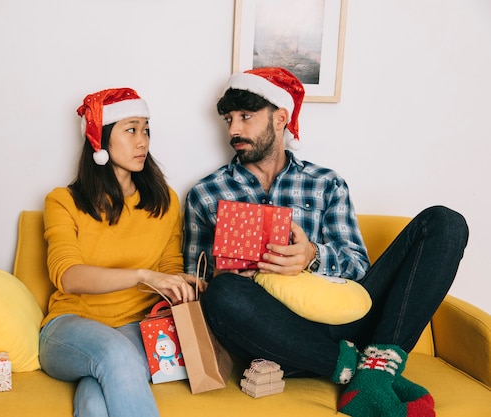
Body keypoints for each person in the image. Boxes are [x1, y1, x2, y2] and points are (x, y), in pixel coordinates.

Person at [182, 67, 469, 417]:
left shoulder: (326, 183)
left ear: (279, 119)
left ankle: (374, 370)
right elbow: (192, 286)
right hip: (275, 335)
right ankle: (359, 371)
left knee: (445, 222)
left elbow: (358, 267)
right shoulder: (205, 193)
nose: (234, 130)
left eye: (246, 117)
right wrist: (225, 276)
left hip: (344, 317)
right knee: (222, 293)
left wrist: (311, 256)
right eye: (229, 119)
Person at [39, 87, 200, 417]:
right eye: (130, 130)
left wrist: (185, 284)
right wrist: (141, 275)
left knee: (95, 401)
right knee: (114, 354)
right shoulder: (62, 202)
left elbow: (169, 267)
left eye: (146, 130)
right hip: (69, 327)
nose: (143, 141)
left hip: (137, 328)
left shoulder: (165, 201)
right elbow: (68, 277)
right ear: (101, 139)